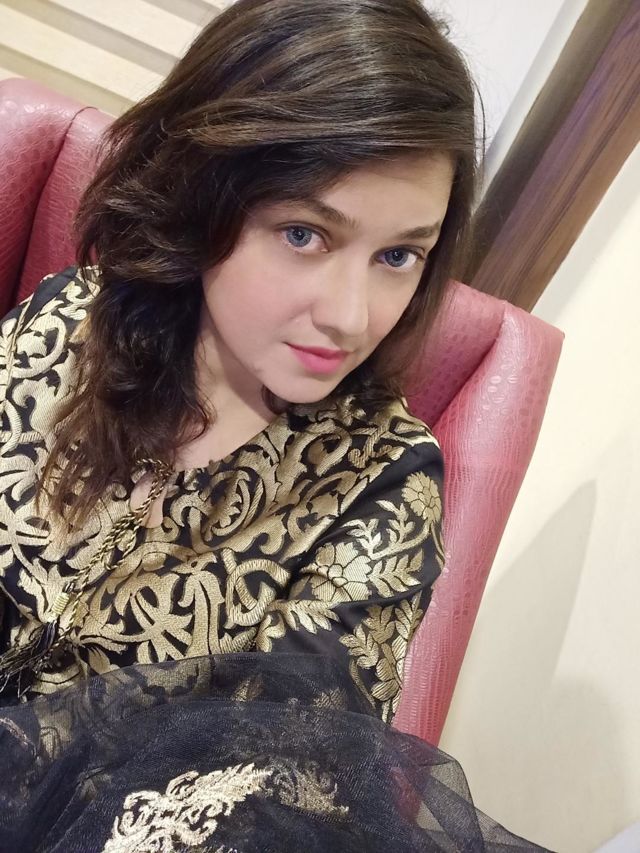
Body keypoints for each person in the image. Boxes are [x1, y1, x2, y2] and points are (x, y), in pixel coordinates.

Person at [0, 1, 550, 850]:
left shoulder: (383, 486)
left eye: (398, 255)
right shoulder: (73, 319)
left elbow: (287, 782)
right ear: (203, 192)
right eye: (304, 234)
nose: (352, 315)